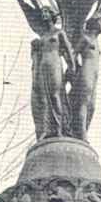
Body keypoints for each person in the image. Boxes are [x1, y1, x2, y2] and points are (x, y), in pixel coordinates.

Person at [31, 8, 74, 140]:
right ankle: (47, 129)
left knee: (55, 95)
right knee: (44, 98)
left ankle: (59, 128)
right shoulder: (43, 36)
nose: (44, 14)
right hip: (43, 66)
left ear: (52, 15)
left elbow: (68, 50)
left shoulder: (59, 33)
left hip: (55, 64)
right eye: (42, 13)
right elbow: (36, 56)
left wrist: (72, 66)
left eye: (46, 12)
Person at [70, 13, 101, 140]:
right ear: (94, 23)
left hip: (95, 75)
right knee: (83, 102)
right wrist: (74, 69)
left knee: (92, 106)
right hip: (86, 72)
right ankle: (82, 134)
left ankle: (82, 131)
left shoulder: (96, 41)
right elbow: (73, 54)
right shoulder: (85, 38)